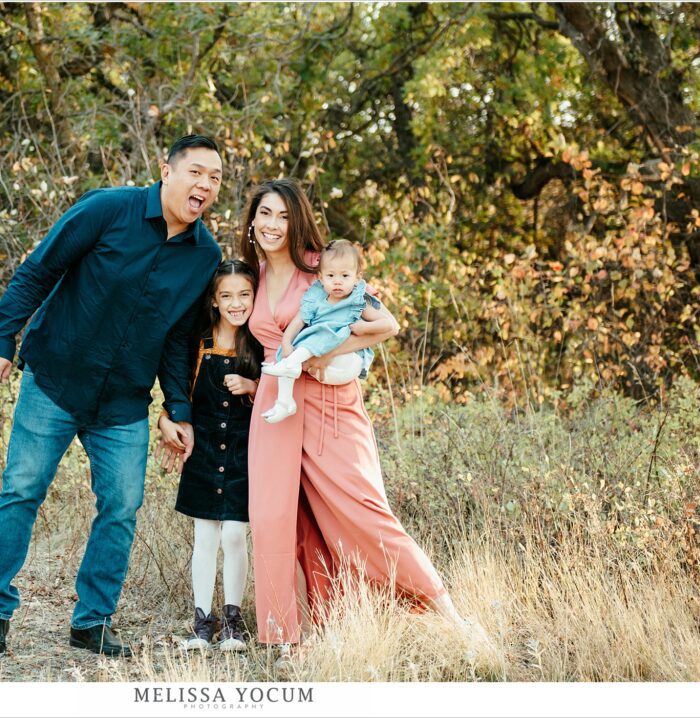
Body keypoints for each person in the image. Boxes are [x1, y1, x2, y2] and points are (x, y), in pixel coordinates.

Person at [0, 135, 224, 661]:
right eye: (196, 172)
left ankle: (92, 621)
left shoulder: (205, 256)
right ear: (167, 171)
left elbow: (178, 337)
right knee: (21, 491)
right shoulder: (108, 208)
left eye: (215, 178)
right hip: (56, 380)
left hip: (124, 401)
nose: (205, 184)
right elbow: (38, 270)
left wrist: (177, 408)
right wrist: (1, 341)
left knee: (122, 506)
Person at [239, 178, 471, 649]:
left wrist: (327, 352)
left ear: (298, 221)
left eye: (284, 215)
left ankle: (447, 613)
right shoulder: (252, 275)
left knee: (363, 512)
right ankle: (289, 634)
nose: (273, 224)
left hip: (330, 405)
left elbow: (386, 326)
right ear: (252, 220)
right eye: (265, 213)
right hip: (275, 404)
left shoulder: (323, 270)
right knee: (275, 518)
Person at [157, 259, 261, 651]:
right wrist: (166, 420)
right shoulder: (199, 342)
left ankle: (233, 621)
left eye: (244, 294)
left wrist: (253, 386)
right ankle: (202, 622)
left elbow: (278, 393)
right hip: (203, 452)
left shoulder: (259, 342)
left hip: (242, 453)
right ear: (214, 300)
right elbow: (180, 391)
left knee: (234, 535)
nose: (236, 303)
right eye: (227, 296)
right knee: (205, 537)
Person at [261, 239, 395, 423]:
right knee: (290, 352)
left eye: (345, 276)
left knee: (321, 333)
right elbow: (298, 321)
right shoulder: (316, 297)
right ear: (320, 277)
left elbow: (388, 325)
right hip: (318, 367)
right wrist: (286, 343)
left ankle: (291, 364)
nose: (337, 281)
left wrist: (364, 327)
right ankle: (284, 402)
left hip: (346, 363)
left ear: (357, 278)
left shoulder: (356, 301)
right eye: (331, 275)